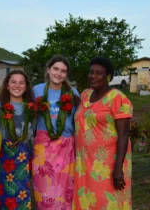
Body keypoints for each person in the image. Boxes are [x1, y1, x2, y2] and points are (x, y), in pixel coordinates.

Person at [72, 57, 133, 210]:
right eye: (91, 72)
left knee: (107, 202)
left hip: (107, 164)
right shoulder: (85, 95)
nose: (93, 76)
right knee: (87, 200)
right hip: (84, 163)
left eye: (99, 73)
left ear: (108, 77)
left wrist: (118, 168)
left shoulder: (118, 98)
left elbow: (124, 135)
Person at [32, 55, 80, 210]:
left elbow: (80, 120)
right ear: (48, 70)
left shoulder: (73, 94)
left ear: (66, 74)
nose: (58, 74)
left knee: (64, 191)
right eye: (56, 69)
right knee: (43, 191)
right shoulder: (37, 90)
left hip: (65, 147)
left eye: (63, 71)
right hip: (42, 148)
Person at [0, 70, 35, 210]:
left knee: (22, 202)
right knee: (4, 202)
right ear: (7, 85)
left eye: (21, 82)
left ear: (26, 86)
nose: (17, 86)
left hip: (23, 164)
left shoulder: (31, 109)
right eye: (13, 82)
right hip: (3, 163)